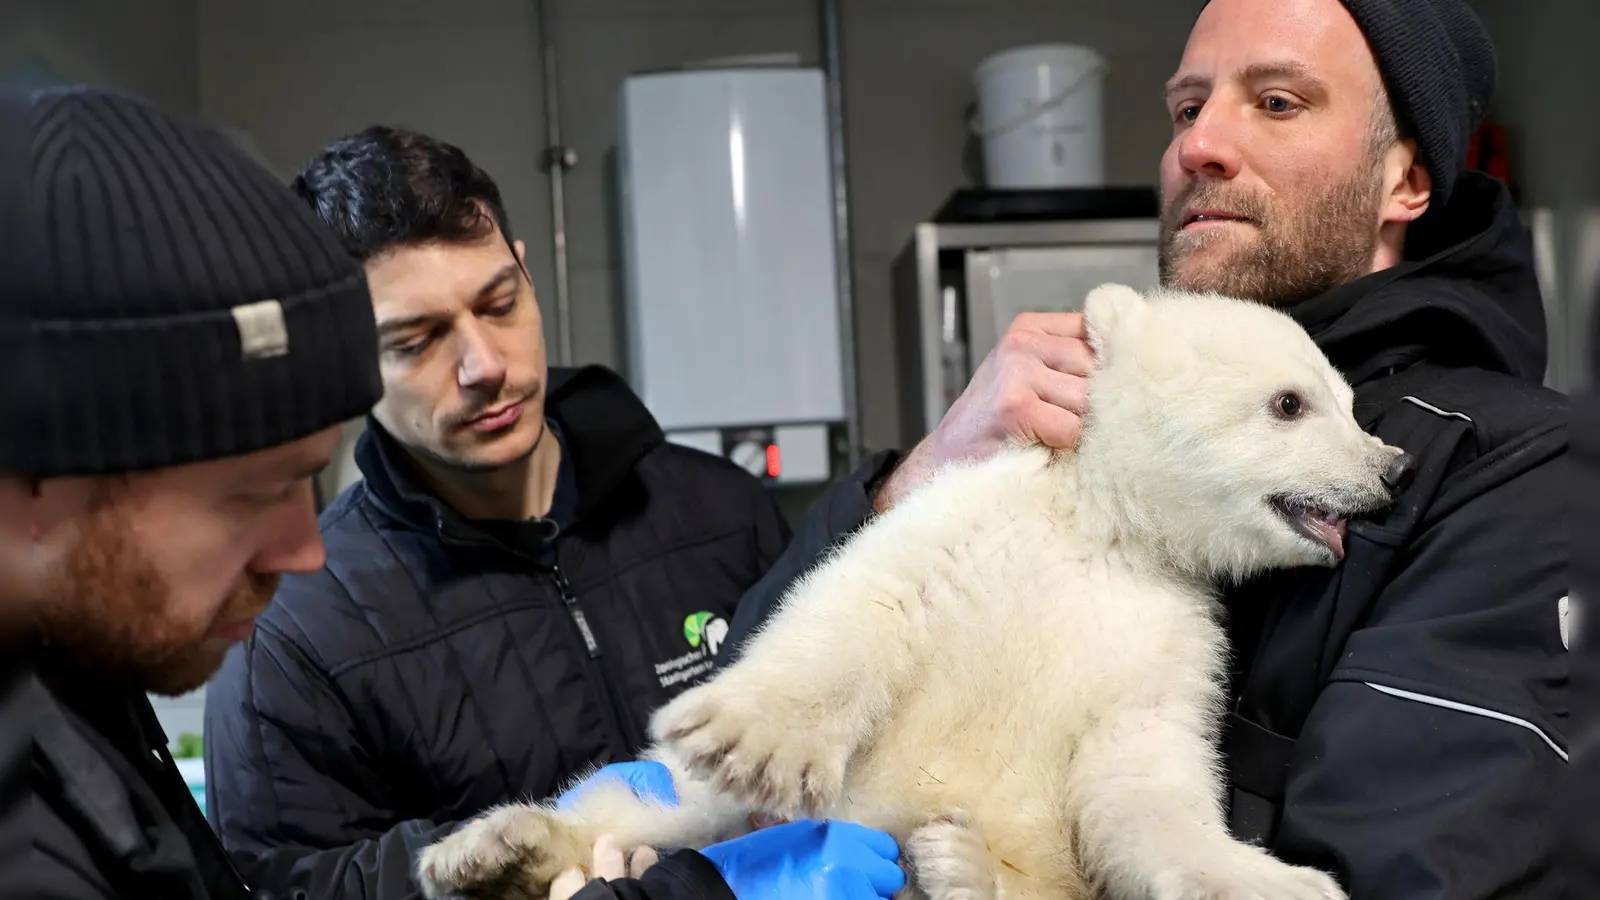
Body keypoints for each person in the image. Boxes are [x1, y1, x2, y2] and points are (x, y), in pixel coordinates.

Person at [725, 0, 1566, 897]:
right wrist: (924, 476)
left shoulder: (1510, 474)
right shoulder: (1108, 420)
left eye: (1278, 102)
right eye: (1188, 108)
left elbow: (1410, 868)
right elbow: (748, 748)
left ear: (1407, 177)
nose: (1199, 145)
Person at [198, 125, 819, 898]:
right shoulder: (298, 638)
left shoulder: (719, 510)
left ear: (526, 270)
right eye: (417, 340)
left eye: (499, 303)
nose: (485, 366)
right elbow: (293, 886)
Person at [11, 83, 387, 900]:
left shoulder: (78, 676)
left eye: (312, 477)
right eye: (251, 493)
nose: (307, 551)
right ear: (32, 481)